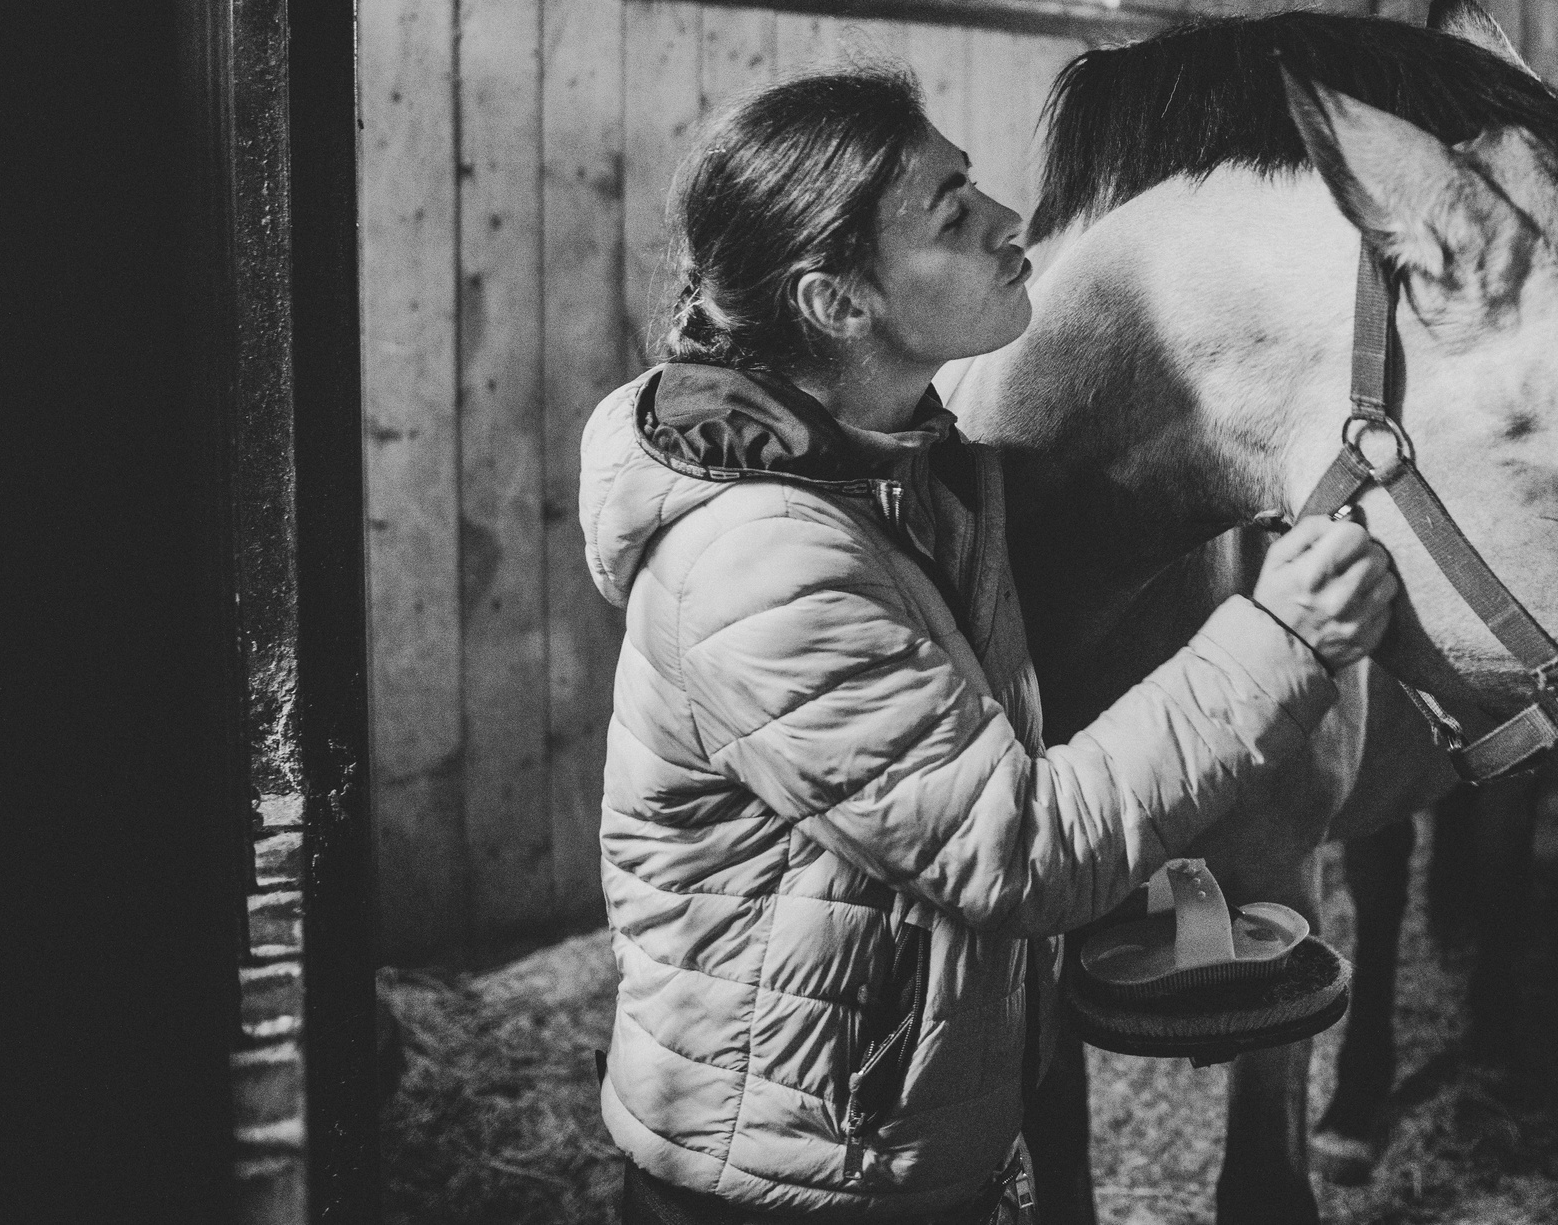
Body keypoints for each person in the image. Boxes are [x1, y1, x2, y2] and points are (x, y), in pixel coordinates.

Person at [578, 69, 1395, 1224]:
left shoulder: (905, 477)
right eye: (952, 214)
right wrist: (1279, 639)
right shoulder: (765, 557)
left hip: (879, 1139)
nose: (1011, 223)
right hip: (796, 1185)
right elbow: (1013, 854)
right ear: (836, 301)